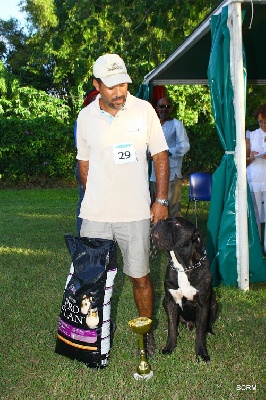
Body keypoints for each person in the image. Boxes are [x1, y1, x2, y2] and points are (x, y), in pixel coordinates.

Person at [76, 53, 169, 356]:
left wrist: (161, 200)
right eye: (112, 86)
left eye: (123, 84)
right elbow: (84, 164)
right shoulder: (85, 117)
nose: (119, 92)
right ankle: (93, 333)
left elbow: (160, 155)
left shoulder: (144, 111)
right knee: (92, 279)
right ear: (96, 85)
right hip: (96, 216)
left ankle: (147, 332)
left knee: (140, 276)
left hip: (135, 214)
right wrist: (98, 196)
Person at [150, 97, 190, 217]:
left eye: (167, 107)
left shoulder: (176, 124)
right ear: (157, 108)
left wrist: (167, 152)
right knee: (155, 206)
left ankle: (175, 234)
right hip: (154, 174)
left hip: (172, 172)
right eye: (161, 106)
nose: (164, 109)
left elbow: (184, 145)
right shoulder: (153, 124)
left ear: (171, 108)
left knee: (172, 208)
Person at [74, 88, 99, 236]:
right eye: (93, 100)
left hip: (98, 166)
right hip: (87, 166)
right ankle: (84, 237)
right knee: (85, 202)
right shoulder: (84, 119)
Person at [246, 104, 266, 255]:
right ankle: (257, 248)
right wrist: (250, 157)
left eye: (265, 122)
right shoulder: (251, 135)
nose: (262, 125)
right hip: (255, 178)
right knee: (256, 213)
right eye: (260, 121)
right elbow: (244, 160)